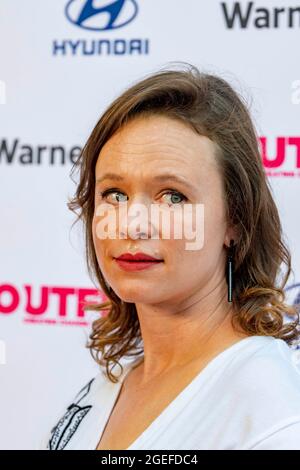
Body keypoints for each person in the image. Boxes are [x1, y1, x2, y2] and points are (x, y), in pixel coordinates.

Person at [38, 62, 300, 450]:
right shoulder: (104, 389)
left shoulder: (272, 409)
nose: (132, 224)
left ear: (236, 221)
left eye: (173, 196)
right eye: (115, 193)